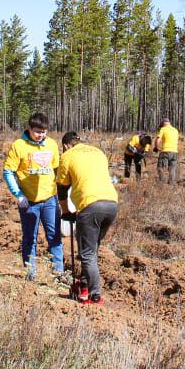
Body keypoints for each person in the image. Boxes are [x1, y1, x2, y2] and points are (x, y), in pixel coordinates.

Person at [56, 131, 119, 305]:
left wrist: (66, 211)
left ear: (66, 145)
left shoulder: (68, 155)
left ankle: (94, 296)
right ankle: (83, 285)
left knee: (88, 254)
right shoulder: (98, 152)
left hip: (90, 206)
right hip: (111, 204)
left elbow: (61, 188)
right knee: (90, 250)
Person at [3, 112, 64, 282]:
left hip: (50, 199)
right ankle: (31, 273)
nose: (41, 135)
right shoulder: (19, 145)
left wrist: (65, 193)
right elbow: (8, 171)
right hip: (29, 202)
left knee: (55, 237)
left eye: (44, 131)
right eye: (37, 131)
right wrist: (18, 195)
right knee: (30, 238)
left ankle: (59, 273)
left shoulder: (51, 144)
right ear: (30, 128)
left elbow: (57, 169)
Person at [154, 119, 179, 184]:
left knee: (161, 168)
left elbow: (157, 140)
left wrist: (156, 148)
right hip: (175, 152)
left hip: (165, 152)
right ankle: (170, 185)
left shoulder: (163, 129)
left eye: (161, 125)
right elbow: (176, 142)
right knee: (172, 170)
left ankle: (162, 185)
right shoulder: (176, 130)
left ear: (163, 124)